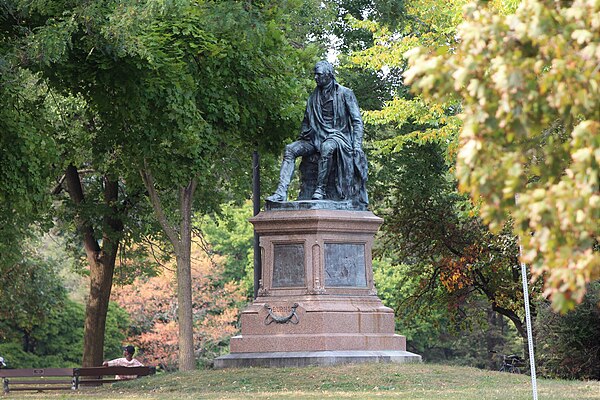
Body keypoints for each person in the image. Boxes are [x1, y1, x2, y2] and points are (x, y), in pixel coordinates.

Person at [266, 60, 368, 206]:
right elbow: (306, 121)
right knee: (290, 149)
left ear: (329, 75)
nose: (316, 78)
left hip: (338, 137)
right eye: (315, 75)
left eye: (318, 75)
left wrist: (357, 146)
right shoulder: (313, 97)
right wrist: (304, 134)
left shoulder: (345, 93)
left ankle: (320, 189)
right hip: (314, 138)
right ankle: (281, 192)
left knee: (327, 147)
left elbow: (357, 121)